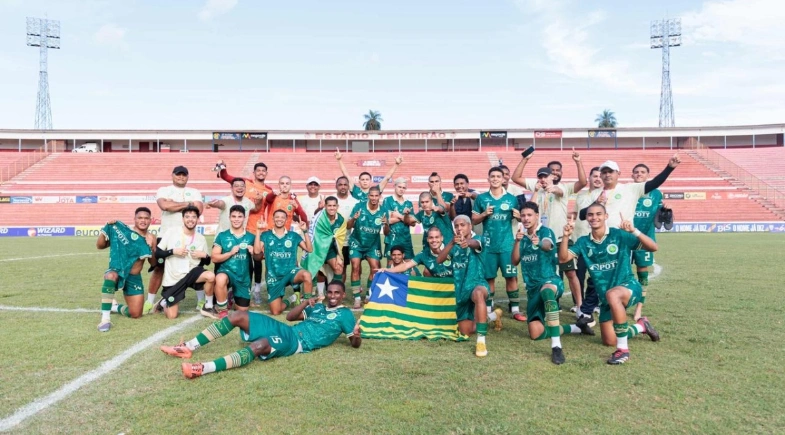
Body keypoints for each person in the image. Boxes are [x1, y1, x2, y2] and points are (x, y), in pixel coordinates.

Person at [160, 280, 361, 379]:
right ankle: (187, 347)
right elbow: (290, 317)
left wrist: (357, 337)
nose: (333, 296)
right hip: (288, 330)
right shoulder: (318, 306)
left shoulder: (345, 315)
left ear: (343, 295)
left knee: (260, 345)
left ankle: (203, 368)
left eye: (337, 293)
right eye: (330, 292)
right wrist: (306, 303)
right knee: (237, 315)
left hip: (297, 343)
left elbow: (354, 343)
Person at [560, 204, 661, 365]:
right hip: (606, 297)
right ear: (587, 219)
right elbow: (563, 259)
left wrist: (634, 231)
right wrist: (565, 236)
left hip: (628, 286)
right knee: (609, 340)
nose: (594, 217)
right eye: (591, 215)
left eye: (599, 214)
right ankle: (641, 326)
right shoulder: (583, 242)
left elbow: (653, 247)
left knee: (613, 294)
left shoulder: (619, 235)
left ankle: (623, 351)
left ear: (606, 216)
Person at [511, 202, 594, 365]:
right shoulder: (521, 235)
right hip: (532, 289)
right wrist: (517, 242)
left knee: (547, 292)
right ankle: (577, 328)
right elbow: (514, 261)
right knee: (536, 334)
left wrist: (539, 243)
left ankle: (556, 347)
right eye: (523, 215)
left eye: (529, 215)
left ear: (536, 215)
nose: (526, 218)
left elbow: (548, 245)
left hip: (551, 281)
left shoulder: (545, 231)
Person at [511, 150, 587, 316]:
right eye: (541, 176)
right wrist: (525, 159)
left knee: (571, 272)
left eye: (547, 176)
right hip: (540, 237)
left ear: (553, 176)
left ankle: (580, 307)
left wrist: (578, 161)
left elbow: (582, 182)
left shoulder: (562, 187)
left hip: (560, 237)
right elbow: (515, 178)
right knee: (548, 271)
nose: (544, 179)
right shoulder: (536, 187)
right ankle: (552, 303)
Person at [436, 215, 503, 357]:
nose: (459, 228)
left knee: (478, 294)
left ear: (469, 226)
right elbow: (439, 260)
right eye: (457, 226)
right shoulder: (453, 244)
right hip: (461, 291)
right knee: (466, 331)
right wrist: (451, 244)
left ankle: (481, 341)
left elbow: (475, 244)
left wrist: (467, 242)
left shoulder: (479, 239)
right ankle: (493, 316)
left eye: (462, 225)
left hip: (477, 284)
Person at [216, 161, 273, 304]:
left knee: (258, 260)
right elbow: (227, 177)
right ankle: (232, 290)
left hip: (259, 229)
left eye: (263, 170)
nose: (261, 173)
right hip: (244, 228)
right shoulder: (246, 184)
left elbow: (272, 207)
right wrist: (222, 168)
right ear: (253, 173)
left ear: (266, 173)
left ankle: (258, 290)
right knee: (241, 261)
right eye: (258, 170)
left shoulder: (269, 190)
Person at [149, 166, 204, 313]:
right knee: (159, 268)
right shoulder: (164, 190)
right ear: (172, 175)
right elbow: (164, 205)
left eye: (184, 175)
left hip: (189, 236)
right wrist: (188, 204)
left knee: (194, 266)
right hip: (167, 235)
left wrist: (175, 204)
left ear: (187, 176)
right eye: (178, 175)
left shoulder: (195, 191)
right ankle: (149, 302)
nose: (181, 177)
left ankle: (201, 301)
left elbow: (198, 209)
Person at [472, 167, 521, 322]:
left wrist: (519, 217)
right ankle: (487, 308)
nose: (495, 179)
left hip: (507, 245)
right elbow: (474, 220)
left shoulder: (512, 199)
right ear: (488, 178)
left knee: (511, 277)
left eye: (498, 176)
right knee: (489, 278)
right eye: (492, 176)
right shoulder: (481, 199)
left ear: (503, 179)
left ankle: (515, 309)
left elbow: (521, 219)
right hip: (488, 245)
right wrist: (484, 214)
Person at [96, 207, 156, 332]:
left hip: (134, 277)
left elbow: (153, 263)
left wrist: (152, 248)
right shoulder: (124, 232)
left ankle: (115, 307)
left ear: (151, 220)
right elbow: (100, 246)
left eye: (146, 218)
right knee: (110, 276)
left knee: (136, 314)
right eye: (140, 218)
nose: (143, 221)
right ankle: (105, 319)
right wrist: (106, 227)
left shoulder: (152, 237)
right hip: (117, 271)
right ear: (134, 219)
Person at [579, 154, 681, 228]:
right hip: (598, 238)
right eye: (604, 172)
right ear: (601, 175)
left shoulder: (629, 188)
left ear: (618, 173)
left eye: (611, 172)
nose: (607, 175)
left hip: (622, 236)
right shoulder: (594, 193)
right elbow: (582, 215)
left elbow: (655, 183)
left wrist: (669, 168)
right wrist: (596, 203)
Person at [152, 205, 215, 319]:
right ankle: (163, 302)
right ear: (183, 219)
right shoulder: (171, 232)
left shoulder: (201, 238)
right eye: (187, 217)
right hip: (174, 278)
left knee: (210, 276)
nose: (190, 219)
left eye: (193, 217)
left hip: (192, 273)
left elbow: (207, 262)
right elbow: (158, 254)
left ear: (197, 219)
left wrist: (204, 255)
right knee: (172, 316)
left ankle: (208, 306)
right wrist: (172, 251)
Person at [255, 209, 314, 315]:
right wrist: (258, 231)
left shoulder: (293, 235)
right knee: (275, 311)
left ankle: (307, 305)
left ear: (286, 219)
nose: (279, 219)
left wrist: (305, 231)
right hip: (274, 276)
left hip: (291, 272)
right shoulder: (266, 235)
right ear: (273, 219)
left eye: (282, 217)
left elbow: (309, 249)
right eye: (277, 217)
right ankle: (292, 298)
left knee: (307, 275)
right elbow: (257, 251)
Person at [209, 205, 260, 318]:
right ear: (229, 218)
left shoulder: (251, 237)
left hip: (243, 277)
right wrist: (230, 253)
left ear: (244, 218)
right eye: (234, 216)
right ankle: (222, 310)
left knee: (242, 311)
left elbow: (260, 257)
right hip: (227, 272)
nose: (236, 219)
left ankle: (231, 296)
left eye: (239, 216)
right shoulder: (222, 236)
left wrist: (254, 253)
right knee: (220, 278)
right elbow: (214, 258)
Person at [631, 163, 663, 321]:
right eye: (636, 172)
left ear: (647, 175)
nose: (639, 174)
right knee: (621, 271)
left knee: (642, 273)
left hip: (645, 239)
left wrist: (666, 210)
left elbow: (659, 216)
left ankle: (639, 307)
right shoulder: (627, 190)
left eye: (642, 172)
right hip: (625, 238)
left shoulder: (656, 194)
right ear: (632, 175)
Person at [346, 186, 385, 308]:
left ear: (379, 196)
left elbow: (387, 232)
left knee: (375, 269)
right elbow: (348, 226)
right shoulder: (359, 207)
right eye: (371, 195)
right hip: (356, 242)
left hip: (372, 244)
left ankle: (369, 295)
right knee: (355, 267)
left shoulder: (383, 211)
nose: (374, 198)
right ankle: (357, 298)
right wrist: (354, 218)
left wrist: (386, 224)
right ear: (368, 196)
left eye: (376, 195)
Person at [302, 196, 346, 301]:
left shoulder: (341, 220)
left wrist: (339, 255)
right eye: (329, 205)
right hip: (317, 248)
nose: (332, 208)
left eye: (334, 205)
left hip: (330, 250)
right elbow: (312, 235)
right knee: (314, 268)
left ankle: (335, 292)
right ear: (325, 206)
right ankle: (317, 294)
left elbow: (339, 239)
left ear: (337, 206)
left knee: (339, 267)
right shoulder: (318, 218)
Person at [573, 167, 603, 323]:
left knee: (596, 275)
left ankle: (594, 304)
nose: (598, 178)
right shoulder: (581, 195)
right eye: (595, 176)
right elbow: (580, 214)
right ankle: (578, 304)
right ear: (589, 178)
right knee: (578, 274)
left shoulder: (605, 193)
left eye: (600, 176)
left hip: (596, 241)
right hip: (579, 239)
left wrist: (598, 202)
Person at [334, 148, 402, 201]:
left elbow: (387, 177)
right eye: (362, 179)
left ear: (370, 181)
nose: (365, 181)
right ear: (359, 181)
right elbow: (345, 174)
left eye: (367, 179)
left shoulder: (376, 190)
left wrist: (396, 164)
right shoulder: (355, 190)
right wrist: (339, 160)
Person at [387, 227, 453, 278]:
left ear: (442, 238)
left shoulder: (452, 248)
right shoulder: (423, 254)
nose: (434, 240)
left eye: (437, 237)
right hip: (442, 287)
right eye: (431, 238)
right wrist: (387, 270)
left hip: (457, 285)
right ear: (427, 239)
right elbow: (406, 265)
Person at [381, 178, 416, 260]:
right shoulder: (388, 200)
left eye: (404, 188)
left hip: (406, 239)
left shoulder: (408, 203)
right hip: (391, 239)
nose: (401, 189)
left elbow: (413, 223)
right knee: (391, 266)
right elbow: (387, 220)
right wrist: (405, 217)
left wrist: (398, 215)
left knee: (409, 266)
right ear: (394, 186)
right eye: (399, 187)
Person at [335, 176, 358, 283]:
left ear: (348, 186)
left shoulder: (354, 202)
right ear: (336, 186)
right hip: (330, 241)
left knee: (342, 267)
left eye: (345, 184)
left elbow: (354, 224)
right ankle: (326, 290)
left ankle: (340, 289)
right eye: (340, 184)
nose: (343, 187)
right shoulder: (330, 199)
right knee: (328, 267)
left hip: (346, 241)